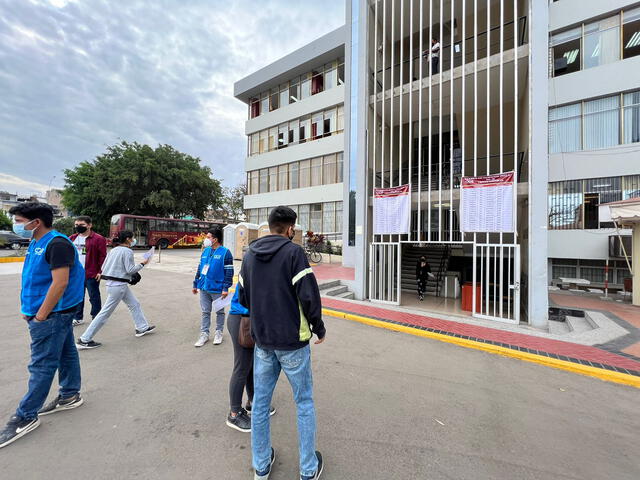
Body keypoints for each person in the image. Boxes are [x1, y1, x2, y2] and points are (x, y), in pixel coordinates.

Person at [238, 206, 326, 480]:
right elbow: (308, 295)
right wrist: (318, 327)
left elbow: (242, 297)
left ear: (269, 225)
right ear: (290, 229)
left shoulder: (250, 254)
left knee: (261, 406)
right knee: (304, 403)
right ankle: (308, 470)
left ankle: (261, 467)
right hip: (293, 343)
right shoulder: (294, 253)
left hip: (263, 342)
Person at [0, 202, 85, 449]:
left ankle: (26, 415)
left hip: (52, 315)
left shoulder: (57, 243)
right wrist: (29, 309)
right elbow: (36, 279)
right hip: (46, 313)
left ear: (35, 222)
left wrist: (40, 316)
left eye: (18, 220)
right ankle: (69, 394)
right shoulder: (37, 242)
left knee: (42, 364)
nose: (17, 225)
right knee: (66, 353)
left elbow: (59, 284)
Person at [76, 230, 155, 349]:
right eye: (132, 238)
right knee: (104, 313)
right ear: (128, 239)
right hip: (119, 286)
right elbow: (130, 270)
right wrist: (143, 263)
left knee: (134, 304)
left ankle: (142, 327)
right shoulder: (127, 251)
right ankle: (84, 339)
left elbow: (103, 267)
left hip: (114, 284)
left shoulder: (114, 250)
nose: (133, 240)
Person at [226, 287, 276, 433]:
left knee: (250, 365)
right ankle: (234, 414)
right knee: (241, 367)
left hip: (248, 319)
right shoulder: (253, 266)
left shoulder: (256, 265)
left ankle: (253, 402)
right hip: (242, 320)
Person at [192, 228, 233, 347]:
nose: (206, 239)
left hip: (218, 288)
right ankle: (204, 334)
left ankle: (218, 332)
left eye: (208, 237)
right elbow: (200, 268)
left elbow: (229, 272)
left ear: (215, 239)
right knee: (205, 311)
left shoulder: (225, 252)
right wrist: (195, 284)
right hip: (204, 287)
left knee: (219, 312)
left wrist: (226, 288)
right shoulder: (205, 251)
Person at [69, 215, 107, 327]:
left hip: (92, 273)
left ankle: (96, 317)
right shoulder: (72, 238)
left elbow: (103, 257)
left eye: (82, 225)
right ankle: (78, 317)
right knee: (78, 296)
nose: (78, 227)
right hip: (76, 274)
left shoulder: (98, 239)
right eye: (76, 225)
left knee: (94, 296)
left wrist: (101, 271)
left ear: (89, 225)